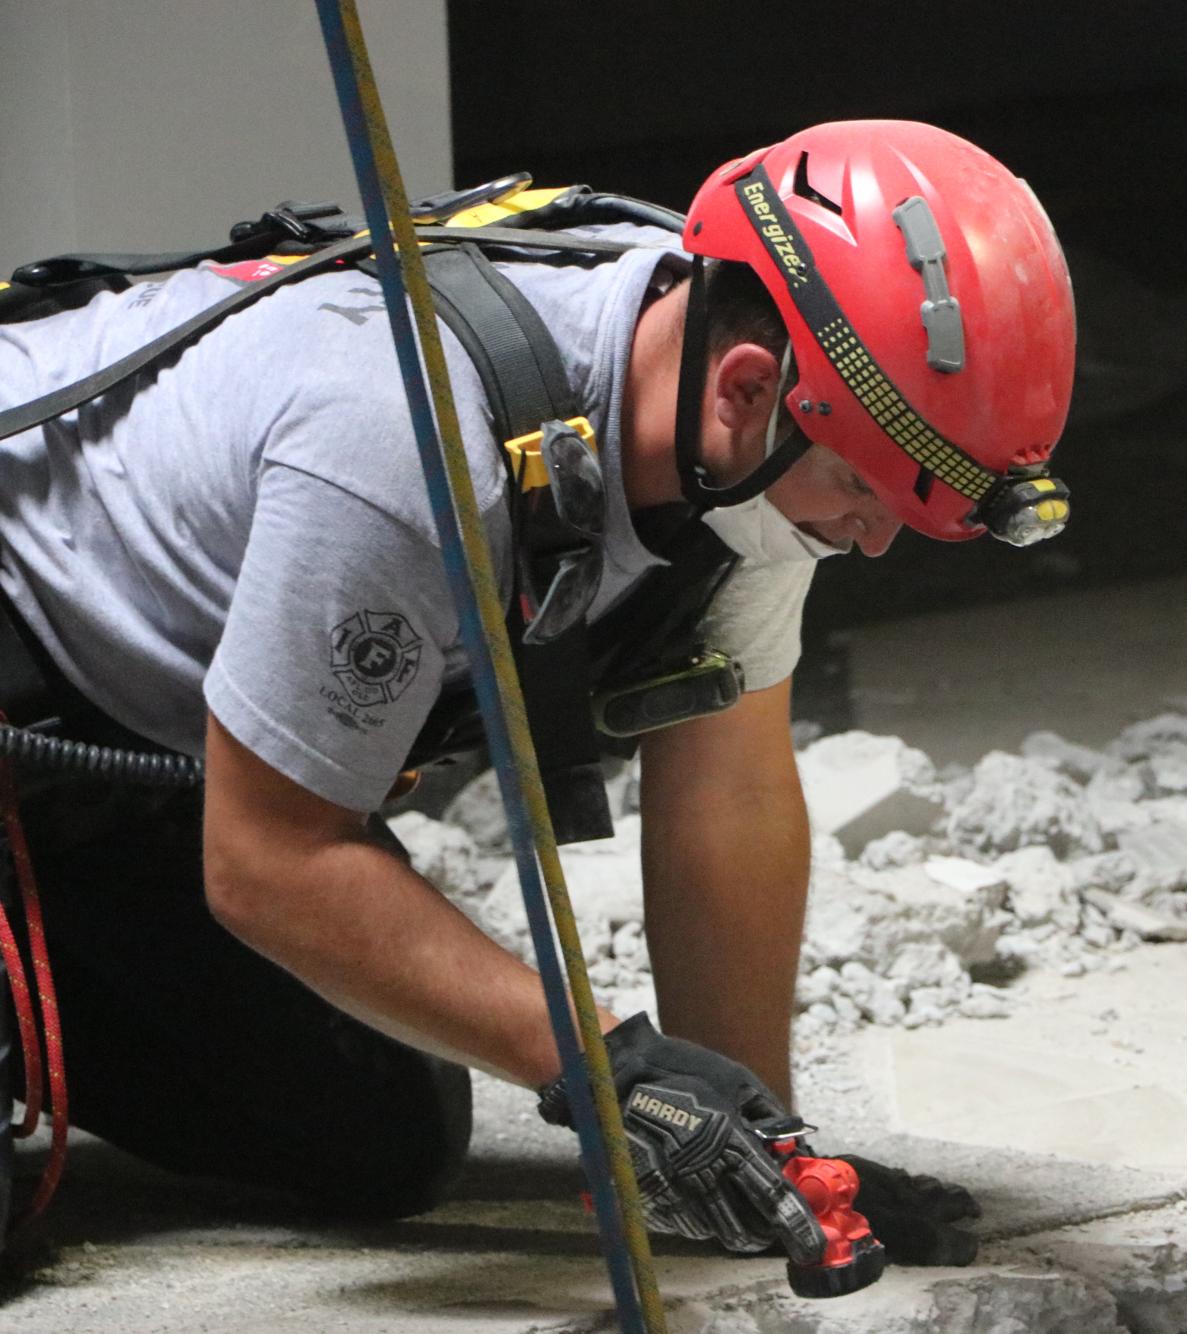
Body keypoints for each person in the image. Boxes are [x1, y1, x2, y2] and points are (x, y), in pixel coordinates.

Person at [0, 118, 1075, 1269]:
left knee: (377, 1135)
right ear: (746, 387)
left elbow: (732, 792)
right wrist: (610, 1068)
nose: (870, 545)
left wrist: (763, 1148)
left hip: (112, 755)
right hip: (30, 662)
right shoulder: (409, 437)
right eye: (865, 493)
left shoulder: (752, 436)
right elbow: (270, 857)